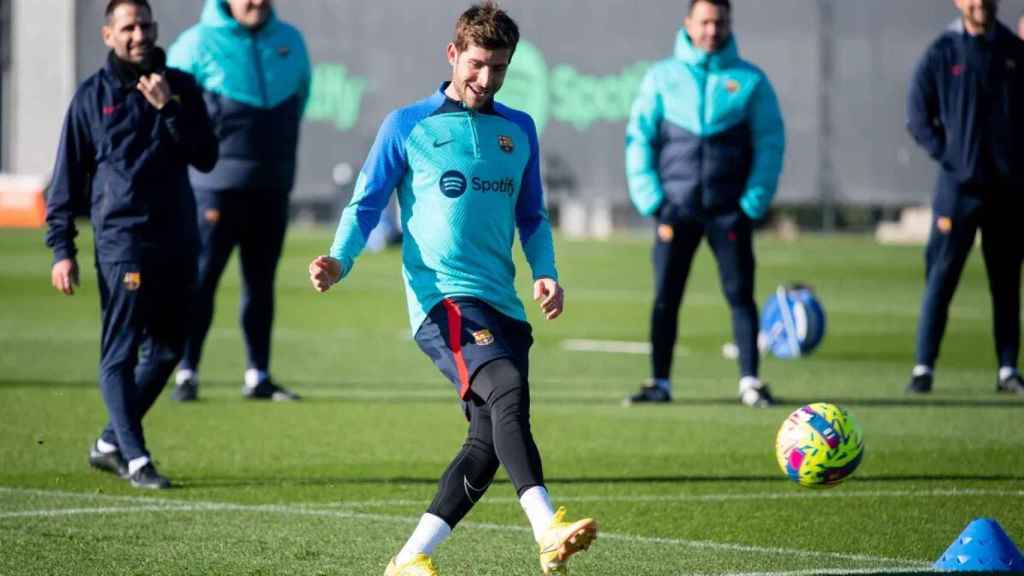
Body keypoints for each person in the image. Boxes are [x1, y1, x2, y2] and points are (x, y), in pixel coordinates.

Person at [308, 4, 597, 574]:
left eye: (499, 68)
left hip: (504, 305)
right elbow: (366, 203)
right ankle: (547, 528)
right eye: (477, 64)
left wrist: (546, 270)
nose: (485, 79)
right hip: (443, 301)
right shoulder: (408, 125)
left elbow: (533, 216)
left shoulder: (519, 130)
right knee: (507, 388)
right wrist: (339, 260)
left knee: (488, 443)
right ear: (452, 55)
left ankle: (411, 559)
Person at [45, 0, 217, 488]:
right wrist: (62, 249)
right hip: (124, 243)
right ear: (108, 36)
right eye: (128, 27)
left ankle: (108, 443)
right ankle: (136, 457)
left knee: (166, 352)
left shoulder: (179, 87)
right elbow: (65, 181)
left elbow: (206, 156)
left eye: (145, 25)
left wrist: (170, 110)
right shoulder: (90, 98)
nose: (139, 34)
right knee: (119, 353)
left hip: (179, 241)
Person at [623, 0, 785, 407]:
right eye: (705, 22)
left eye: (720, 22)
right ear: (688, 25)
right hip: (674, 210)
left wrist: (753, 202)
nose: (712, 30)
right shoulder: (662, 77)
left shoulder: (750, 81)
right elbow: (639, 138)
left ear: (729, 24)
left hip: (729, 210)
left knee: (740, 294)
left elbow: (771, 142)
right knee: (665, 296)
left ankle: (750, 381)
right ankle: (660, 382)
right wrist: (653, 201)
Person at [166, 0, 311, 402]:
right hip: (213, 188)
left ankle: (258, 376)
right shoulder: (194, 44)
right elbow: (170, 115)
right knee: (201, 280)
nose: (257, 2)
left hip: (272, 185)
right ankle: (186, 372)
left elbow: (300, 99)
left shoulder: (290, 41)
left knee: (261, 285)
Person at [905, 0, 1024, 395]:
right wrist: (951, 156)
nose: (981, 3)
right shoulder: (943, 51)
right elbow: (918, 115)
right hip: (958, 191)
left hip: (1007, 192)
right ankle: (924, 369)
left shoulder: (1013, 50)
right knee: (941, 278)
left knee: (1006, 284)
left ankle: (1008, 369)